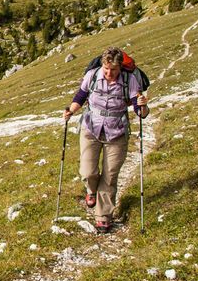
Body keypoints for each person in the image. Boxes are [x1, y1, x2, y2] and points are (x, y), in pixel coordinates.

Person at [62, 47, 148, 233]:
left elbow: (139, 110)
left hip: (116, 132)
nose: (110, 73)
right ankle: (91, 190)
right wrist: (71, 110)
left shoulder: (129, 80)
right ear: (103, 65)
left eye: (114, 70)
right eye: (107, 69)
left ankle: (103, 216)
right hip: (91, 128)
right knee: (87, 171)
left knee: (109, 177)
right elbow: (81, 95)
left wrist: (143, 107)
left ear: (120, 68)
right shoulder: (93, 75)